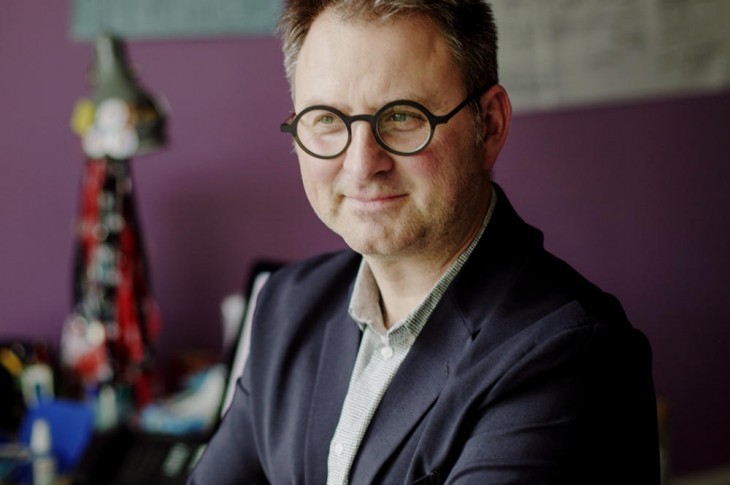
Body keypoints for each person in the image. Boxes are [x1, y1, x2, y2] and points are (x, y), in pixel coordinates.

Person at [188, 0, 659, 483]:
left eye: (402, 117)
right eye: (327, 118)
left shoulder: (573, 355)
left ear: (489, 125)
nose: (361, 164)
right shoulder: (287, 305)